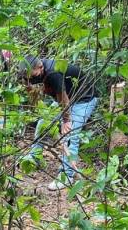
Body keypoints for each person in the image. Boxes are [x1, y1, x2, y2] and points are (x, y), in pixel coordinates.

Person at [21, 55, 97, 191]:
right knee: (43, 124)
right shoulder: (30, 73)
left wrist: (66, 120)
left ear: (40, 67)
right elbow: (34, 92)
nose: (31, 79)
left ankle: (66, 176)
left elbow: (64, 100)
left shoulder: (53, 73)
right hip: (64, 98)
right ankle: (34, 157)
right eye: (28, 77)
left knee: (70, 134)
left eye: (32, 75)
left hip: (83, 99)